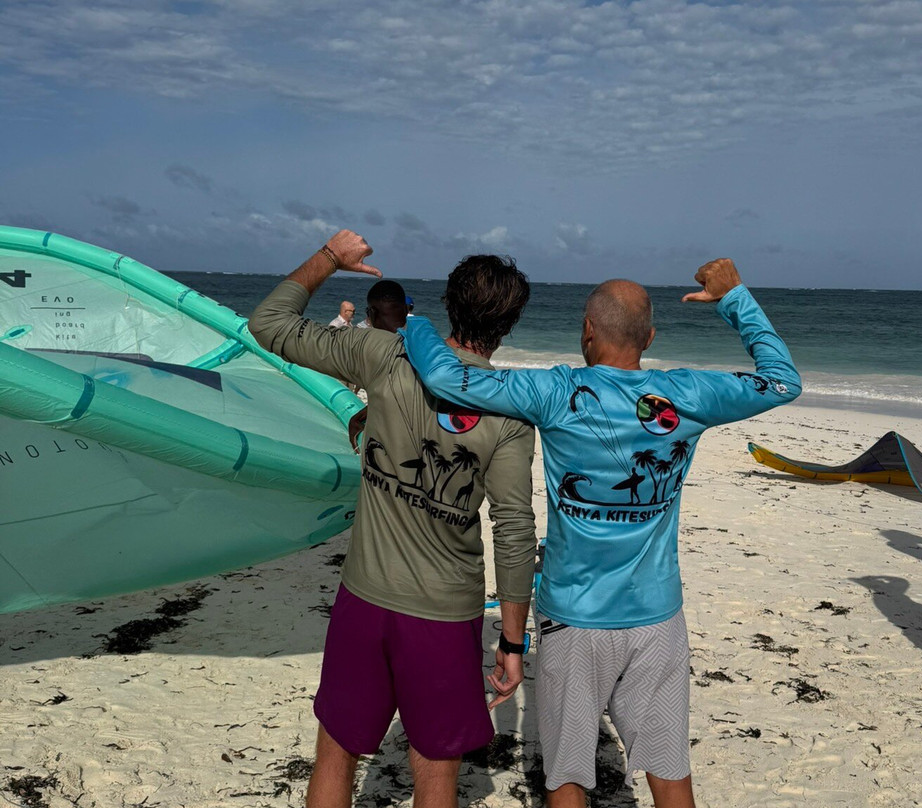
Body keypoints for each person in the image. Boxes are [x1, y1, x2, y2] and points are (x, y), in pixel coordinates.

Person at [402, 258, 801, 806]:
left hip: (573, 619)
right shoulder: (687, 394)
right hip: (658, 619)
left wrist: (412, 322)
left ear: (587, 331)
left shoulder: (555, 392)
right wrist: (735, 299)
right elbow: (782, 380)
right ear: (651, 337)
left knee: (567, 775)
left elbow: (446, 376)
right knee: (668, 771)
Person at [247, 231, 538, 808]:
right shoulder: (508, 411)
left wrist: (331, 257)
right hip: (444, 614)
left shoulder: (384, 354)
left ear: (447, 304)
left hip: (366, 599)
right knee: (435, 772)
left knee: (335, 754)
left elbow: (269, 323)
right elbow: (514, 531)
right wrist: (510, 642)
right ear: (508, 326)